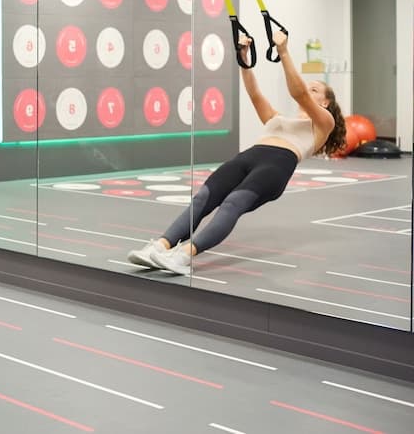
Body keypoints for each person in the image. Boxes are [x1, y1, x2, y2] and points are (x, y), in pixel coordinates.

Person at [127, 31, 347, 275]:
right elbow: (255, 94)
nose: (308, 89)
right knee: (202, 198)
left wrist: (283, 52)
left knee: (232, 204)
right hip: (249, 157)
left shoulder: (323, 123)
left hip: (277, 165)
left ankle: (183, 256)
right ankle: (159, 246)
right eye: (309, 87)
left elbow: (299, 93)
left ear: (325, 103)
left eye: (315, 89)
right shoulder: (277, 119)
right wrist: (244, 59)